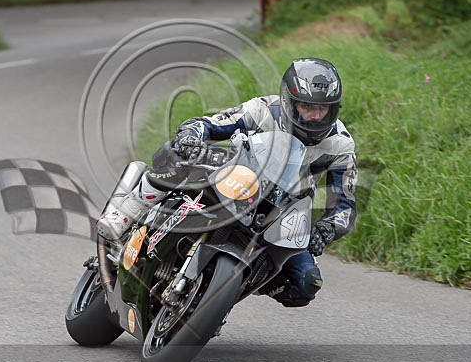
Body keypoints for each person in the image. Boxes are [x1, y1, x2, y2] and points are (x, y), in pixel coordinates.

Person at [97, 58, 357, 307]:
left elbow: (345, 206)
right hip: (234, 180)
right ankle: (127, 212)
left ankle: (222, 292)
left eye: (324, 109)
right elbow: (209, 124)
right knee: (173, 152)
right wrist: (192, 135)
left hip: (281, 211)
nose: (315, 117)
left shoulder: (341, 145)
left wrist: (327, 229)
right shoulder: (263, 110)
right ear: (290, 102)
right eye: (307, 107)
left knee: (306, 284)